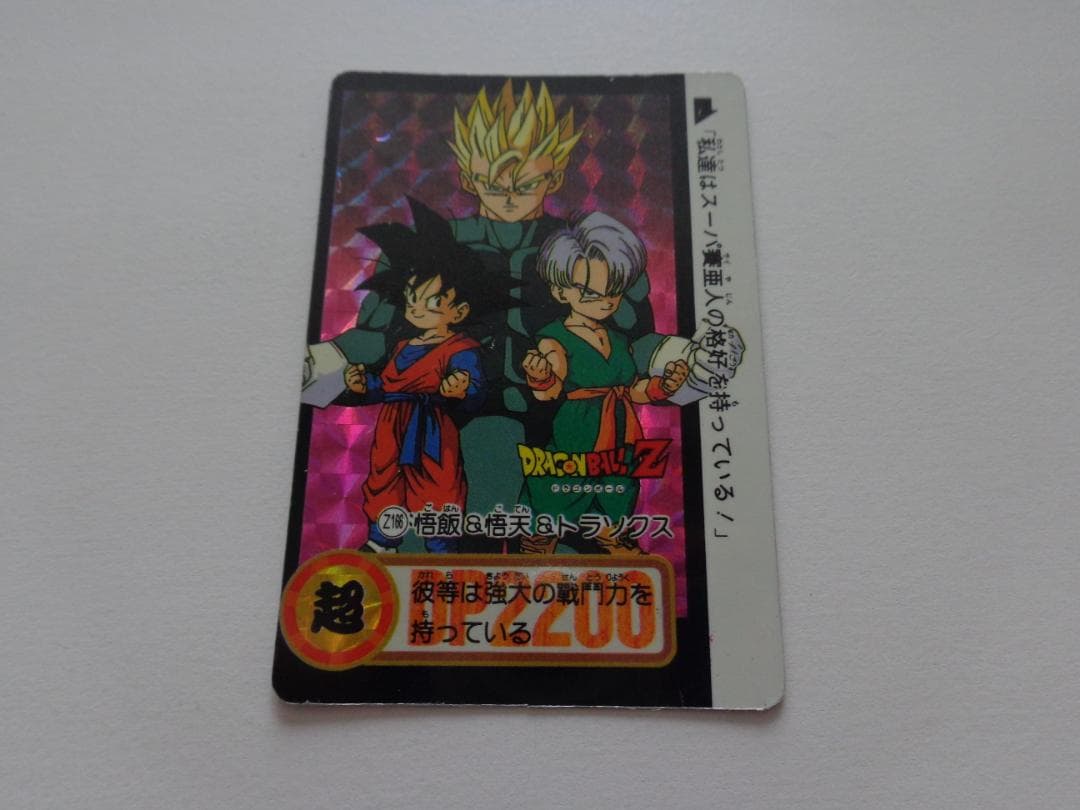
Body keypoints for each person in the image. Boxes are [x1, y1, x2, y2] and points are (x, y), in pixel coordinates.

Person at [302, 80, 743, 544]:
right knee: (430, 549)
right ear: (469, 178)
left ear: (553, 177)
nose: (509, 195)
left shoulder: (591, 250)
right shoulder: (428, 248)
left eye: (526, 183)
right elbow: (378, 339)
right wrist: (323, 365)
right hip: (445, 430)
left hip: (567, 432)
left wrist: (692, 362)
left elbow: (635, 344)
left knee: (573, 557)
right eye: (493, 184)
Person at [341, 198, 515, 553]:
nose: (418, 309)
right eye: (412, 299)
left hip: (433, 430)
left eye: (432, 302)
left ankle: (441, 547)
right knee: (384, 481)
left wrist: (461, 389)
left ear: (459, 311)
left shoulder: (461, 348)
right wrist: (365, 385)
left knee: (438, 488)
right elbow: (386, 386)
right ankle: (382, 540)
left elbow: (474, 390)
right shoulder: (404, 345)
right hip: (392, 429)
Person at [519, 212, 689, 554]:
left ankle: (614, 535)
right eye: (588, 292)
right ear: (561, 291)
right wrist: (540, 375)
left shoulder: (618, 339)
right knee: (561, 483)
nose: (604, 301)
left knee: (618, 485)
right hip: (578, 429)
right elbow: (551, 390)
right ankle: (540, 540)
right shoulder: (554, 338)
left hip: (622, 430)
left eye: (612, 292)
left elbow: (633, 389)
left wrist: (664, 385)